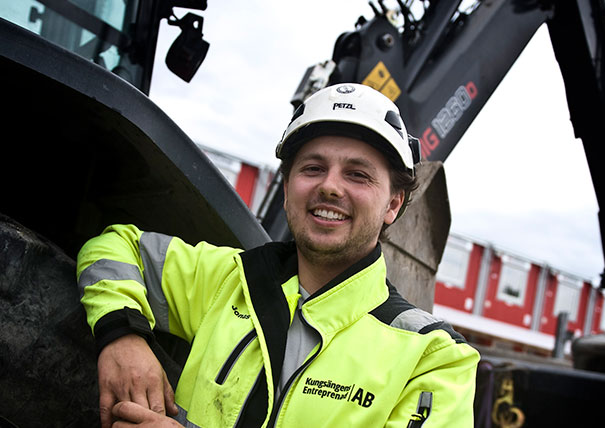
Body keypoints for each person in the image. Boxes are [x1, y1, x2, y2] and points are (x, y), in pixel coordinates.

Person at [77, 83, 480, 427]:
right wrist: (123, 334)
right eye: (312, 168)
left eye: (357, 174)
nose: (330, 188)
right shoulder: (230, 281)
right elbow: (115, 246)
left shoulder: (433, 358)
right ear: (287, 189)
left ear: (393, 204)